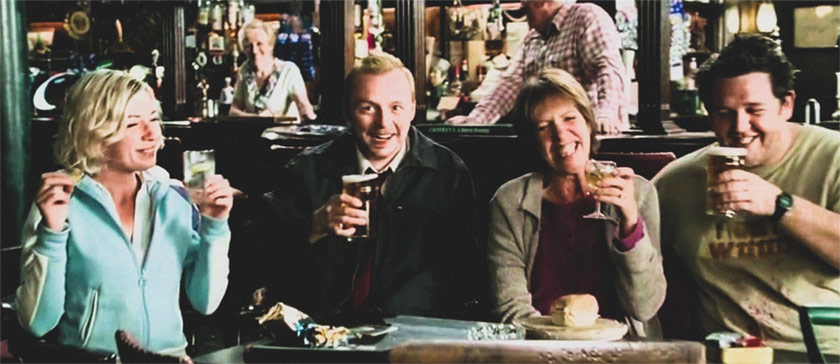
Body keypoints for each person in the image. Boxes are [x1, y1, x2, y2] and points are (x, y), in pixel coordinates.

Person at [15, 70, 234, 357]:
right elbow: (37, 323)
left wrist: (215, 226)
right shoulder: (59, 201)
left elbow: (206, 302)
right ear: (95, 132)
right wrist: (52, 234)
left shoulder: (175, 197)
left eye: (154, 118)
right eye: (132, 124)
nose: (151, 133)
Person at [258, 53, 481, 324]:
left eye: (395, 107)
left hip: (414, 335)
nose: (383, 123)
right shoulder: (306, 171)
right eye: (367, 108)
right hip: (323, 336)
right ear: (347, 112)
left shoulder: (447, 172)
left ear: (412, 108)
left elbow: (465, 276)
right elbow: (263, 266)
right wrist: (313, 227)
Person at [653, 35, 840, 353]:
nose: (740, 126)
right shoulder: (676, 182)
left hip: (821, 351)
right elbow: (628, 264)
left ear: (787, 105)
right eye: (724, 112)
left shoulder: (833, 157)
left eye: (754, 110)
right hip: (726, 353)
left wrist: (779, 204)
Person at [488, 68, 665, 337]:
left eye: (569, 118)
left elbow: (645, 307)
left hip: (622, 350)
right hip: (538, 350)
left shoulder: (638, 192)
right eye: (544, 127)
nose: (561, 135)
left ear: (588, 123)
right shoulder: (510, 202)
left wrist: (630, 224)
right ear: (532, 141)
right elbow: (510, 308)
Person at [447, 0, 626, 134]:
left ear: (540, 2)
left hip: (588, 139)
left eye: (525, 7)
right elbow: (509, 84)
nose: (523, 15)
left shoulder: (586, 16)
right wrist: (476, 121)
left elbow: (608, 68)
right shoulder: (532, 38)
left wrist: (606, 115)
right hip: (550, 139)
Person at [230, 19, 317, 121]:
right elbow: (233, 111)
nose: (254, 51)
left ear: (270, 45)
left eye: (259, 44)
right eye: (248, 46)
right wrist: (257, 119)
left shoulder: (288, 70)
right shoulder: (245, 70)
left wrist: (311, 119)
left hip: (284, 134)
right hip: (255, 133)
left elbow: (303, 105)